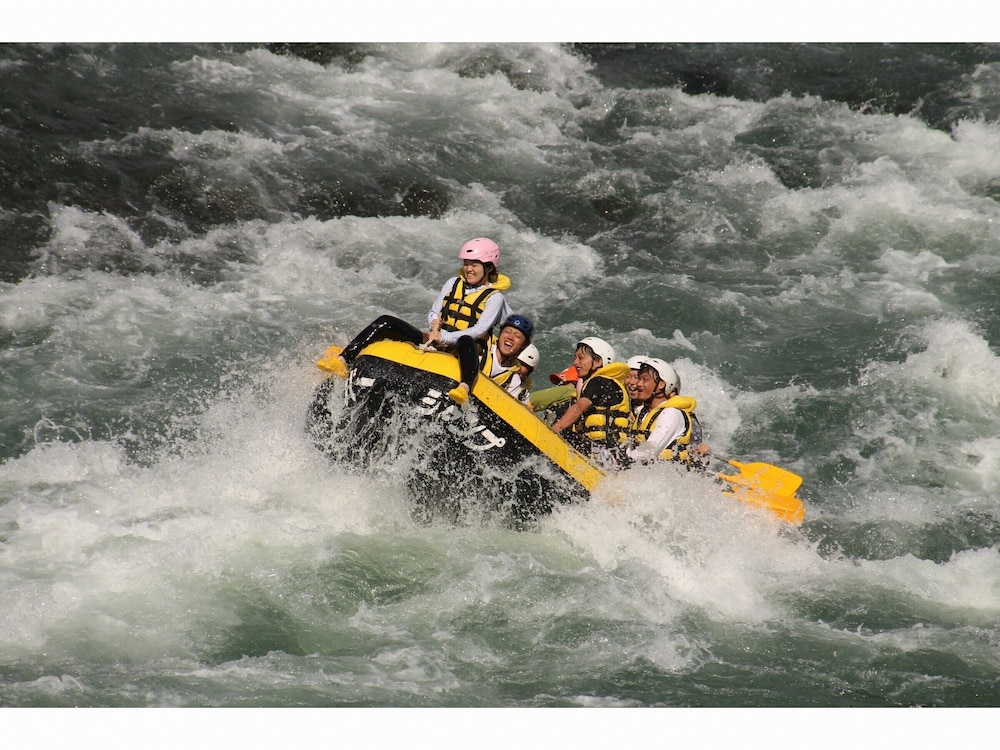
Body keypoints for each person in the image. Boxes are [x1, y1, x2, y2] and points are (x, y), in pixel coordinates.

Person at [319, 237, 513, 404]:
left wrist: (445, 337)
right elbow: (434, 311)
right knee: (386, 321)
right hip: (435, 340)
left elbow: (479, 330)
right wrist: (434, 324)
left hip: (464, 349)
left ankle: (465, 387)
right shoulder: (452, 283)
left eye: (474, 265)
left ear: (488, 267)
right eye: (466, 263)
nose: (468, 269)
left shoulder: (495, 298)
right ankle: (344, 359)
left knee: (466, 340)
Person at [550, 336, 631, 467]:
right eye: (575, 358)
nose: (575, 362)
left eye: (581, 358)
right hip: (616, 456)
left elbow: (579, 407)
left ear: (598, 361)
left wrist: (554, 430)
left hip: (605, 453)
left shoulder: (599, 381)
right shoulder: (610, 383)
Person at [624, 357, 710, 470]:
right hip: (645, 472)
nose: (638, 384)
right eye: (639, 379)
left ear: (661, 384)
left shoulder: (671, 414)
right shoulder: (644, 413)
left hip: (670, 476)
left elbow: (649, 451)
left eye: (644, 379)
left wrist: (622, 460)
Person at [480, 314, 534, 398]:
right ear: (500, 334)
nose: (510, 337)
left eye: (517, 336)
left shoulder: (513, 380)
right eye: (507, 332)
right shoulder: (481, 352)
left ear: (524, 346)